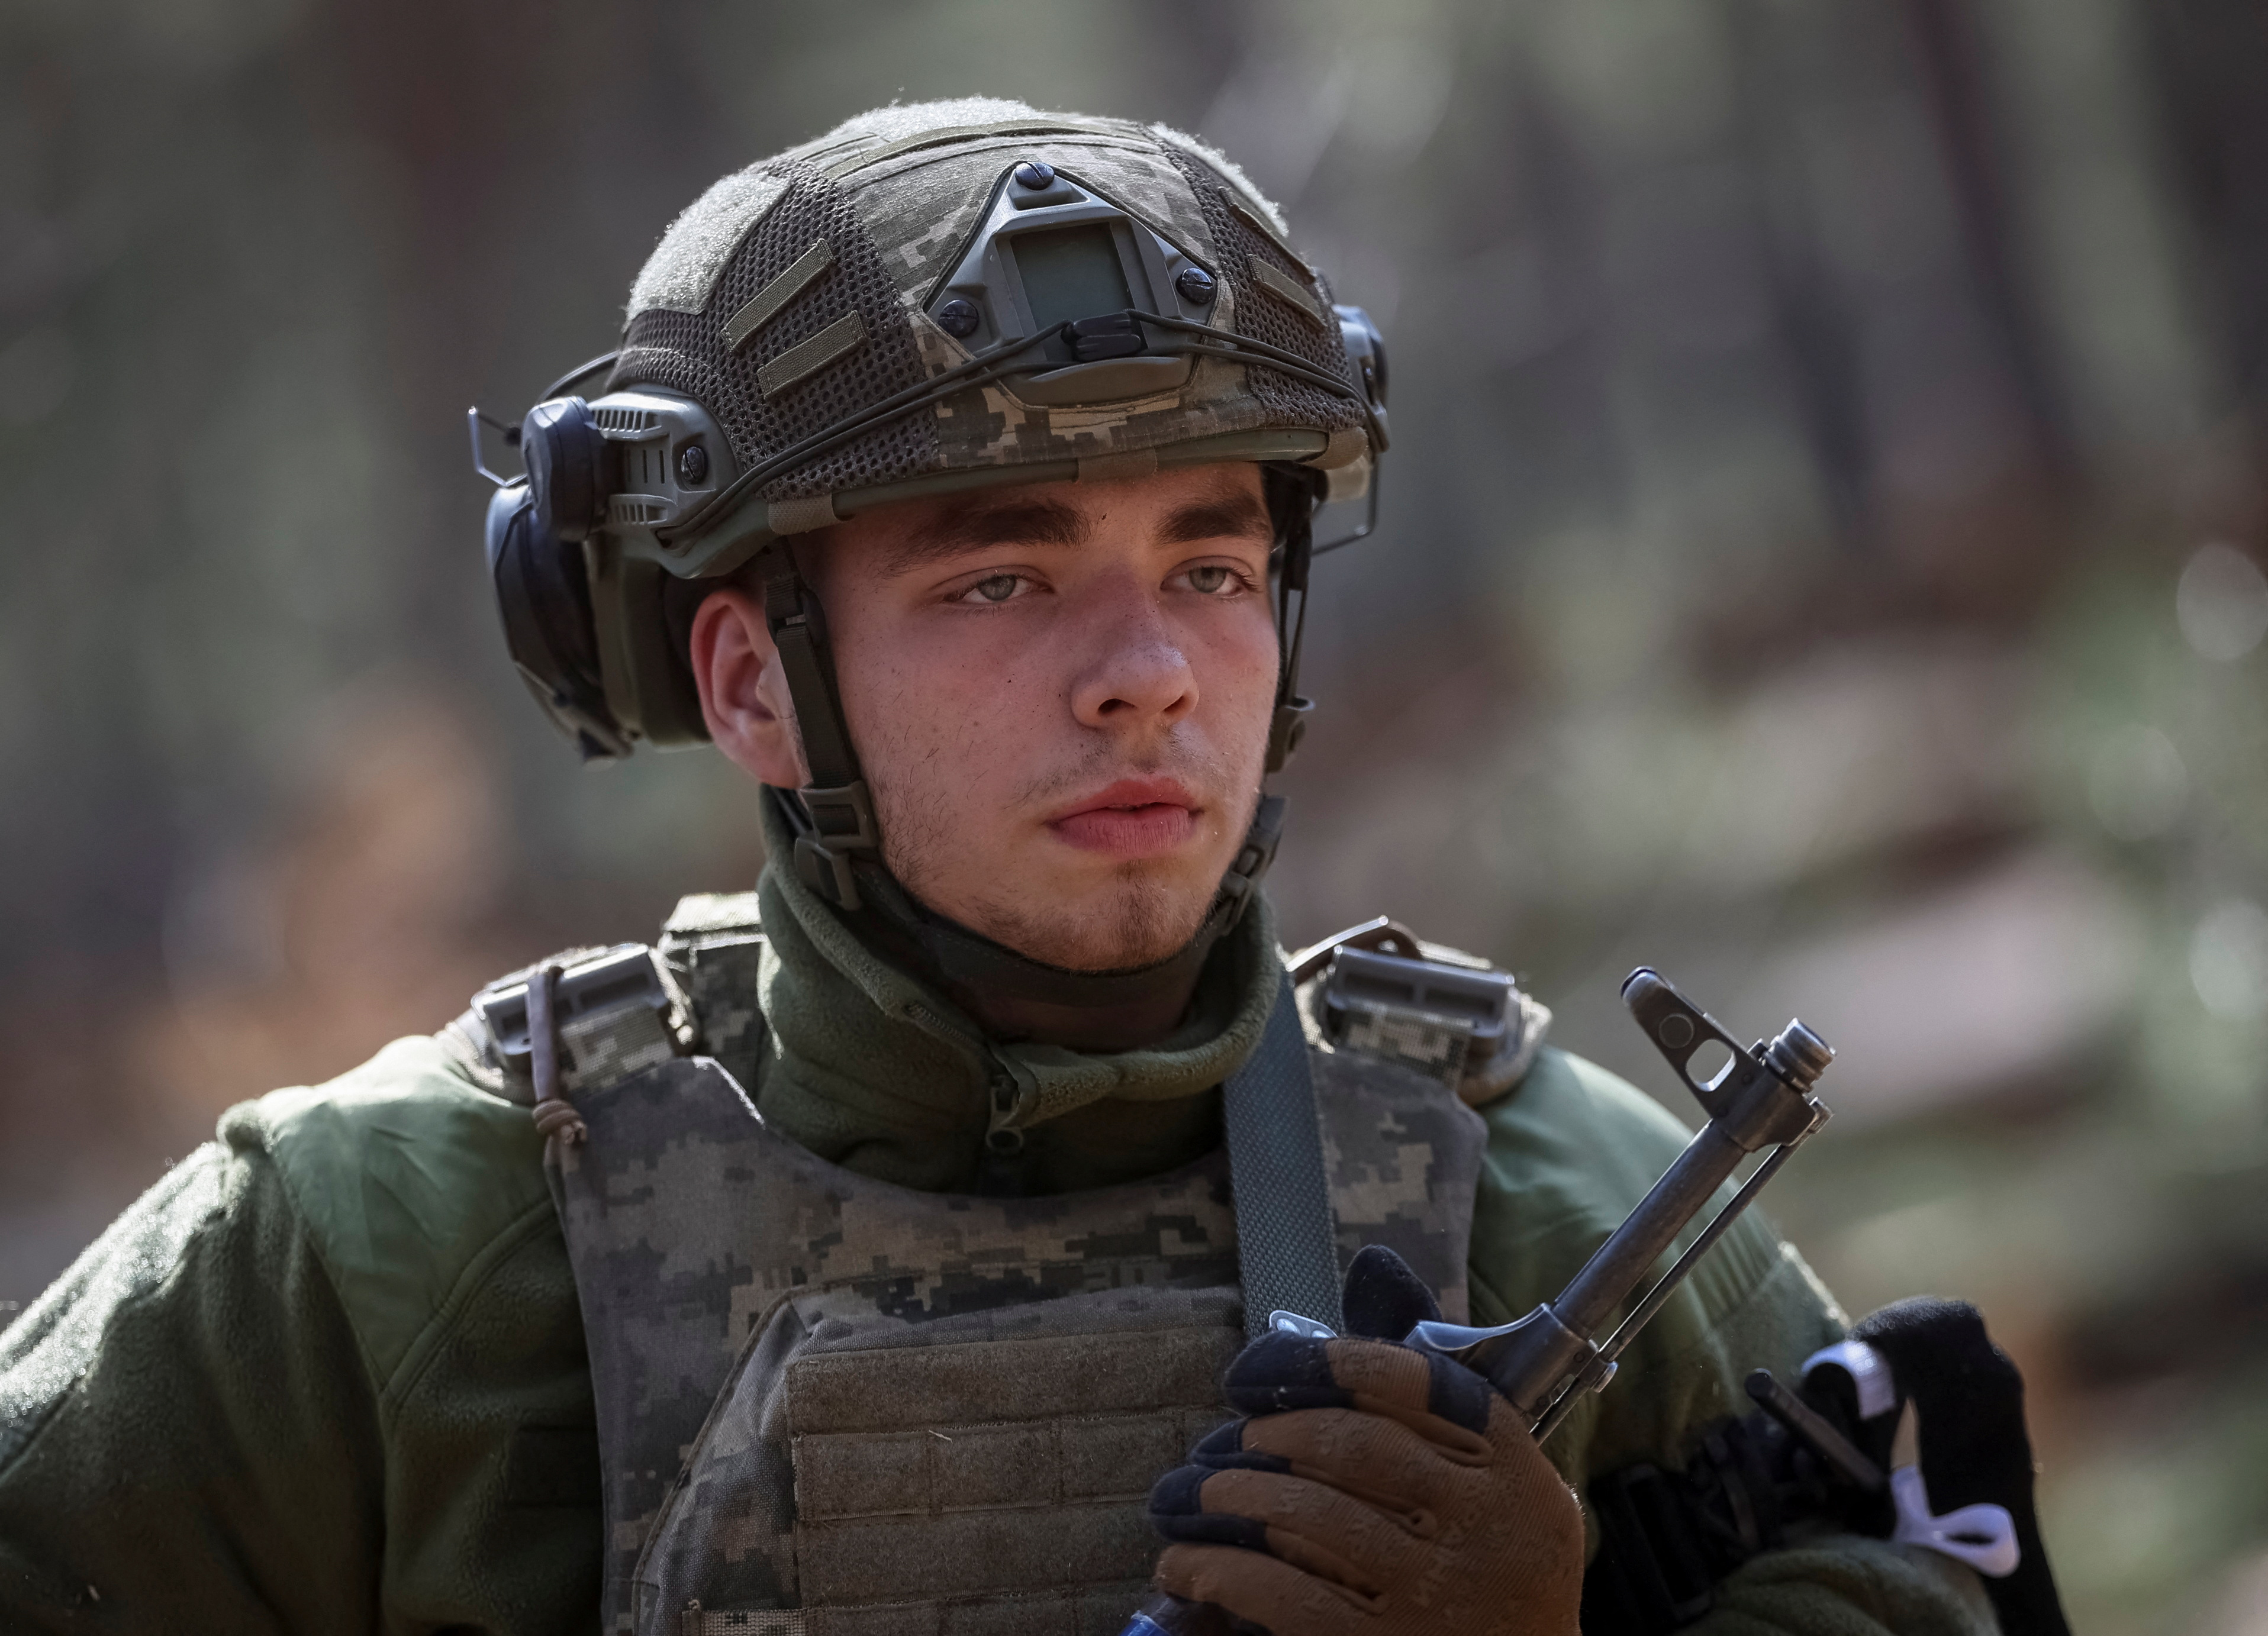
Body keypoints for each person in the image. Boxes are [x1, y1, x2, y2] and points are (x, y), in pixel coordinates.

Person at [0, 99, 2006, 1636]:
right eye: (1002, 577)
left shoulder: (1545, 1199)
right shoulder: (370, 1264)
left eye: (1211, 567)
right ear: (754, 686)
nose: (1143, 677)